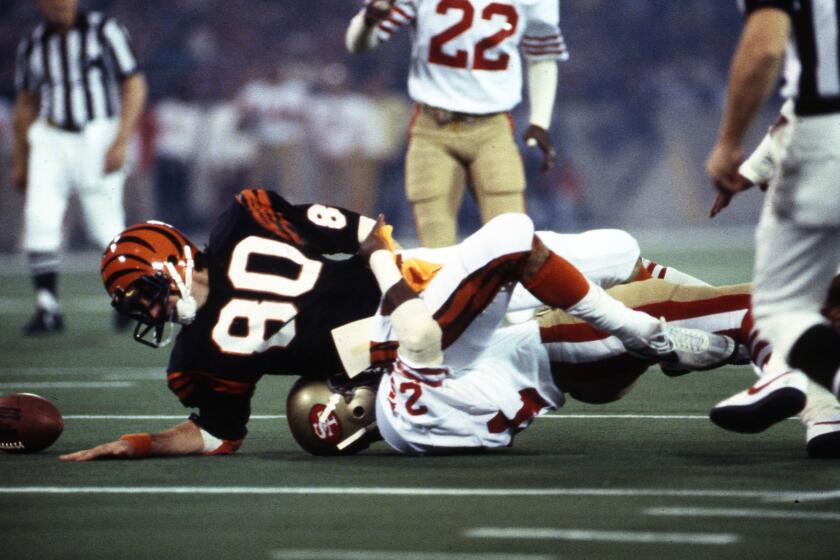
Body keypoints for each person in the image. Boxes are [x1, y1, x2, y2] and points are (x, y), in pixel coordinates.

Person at [59, 188, 736, 460]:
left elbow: (362, 231)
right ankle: (669, 334)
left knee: (613, 250)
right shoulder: (196, 357)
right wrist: (139, 442)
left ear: (174, 257)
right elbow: (213, 436)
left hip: (414, 284)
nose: (147, 312)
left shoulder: (246, 216)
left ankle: (716, 327)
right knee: (560, 275)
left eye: (144, 293)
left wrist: (397, 293)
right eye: (134, 308)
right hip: (395, 350)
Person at [706, 0, 840, 430]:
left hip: (827, 133)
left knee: (788, 304)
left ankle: (809, 397)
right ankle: (825, 415)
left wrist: (730, 144)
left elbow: (764, 50)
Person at [345, 0, 567, 247]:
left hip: (491, 126)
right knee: (435, 243)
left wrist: (540, 121)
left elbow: (543, 54)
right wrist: (370, 19)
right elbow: (359, 44)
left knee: (511, 236)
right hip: (433, 125)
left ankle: (503, 284)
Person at [12, 0, 147, 335]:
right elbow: (26, 100)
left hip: (96, 133)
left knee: (105, 225)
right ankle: (47, 307)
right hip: (50, 135)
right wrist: (21, 157)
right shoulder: (34, 41)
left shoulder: (104, 30)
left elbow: (134, 84)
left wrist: (120, 139)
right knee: (39, 219)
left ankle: (127, 298)